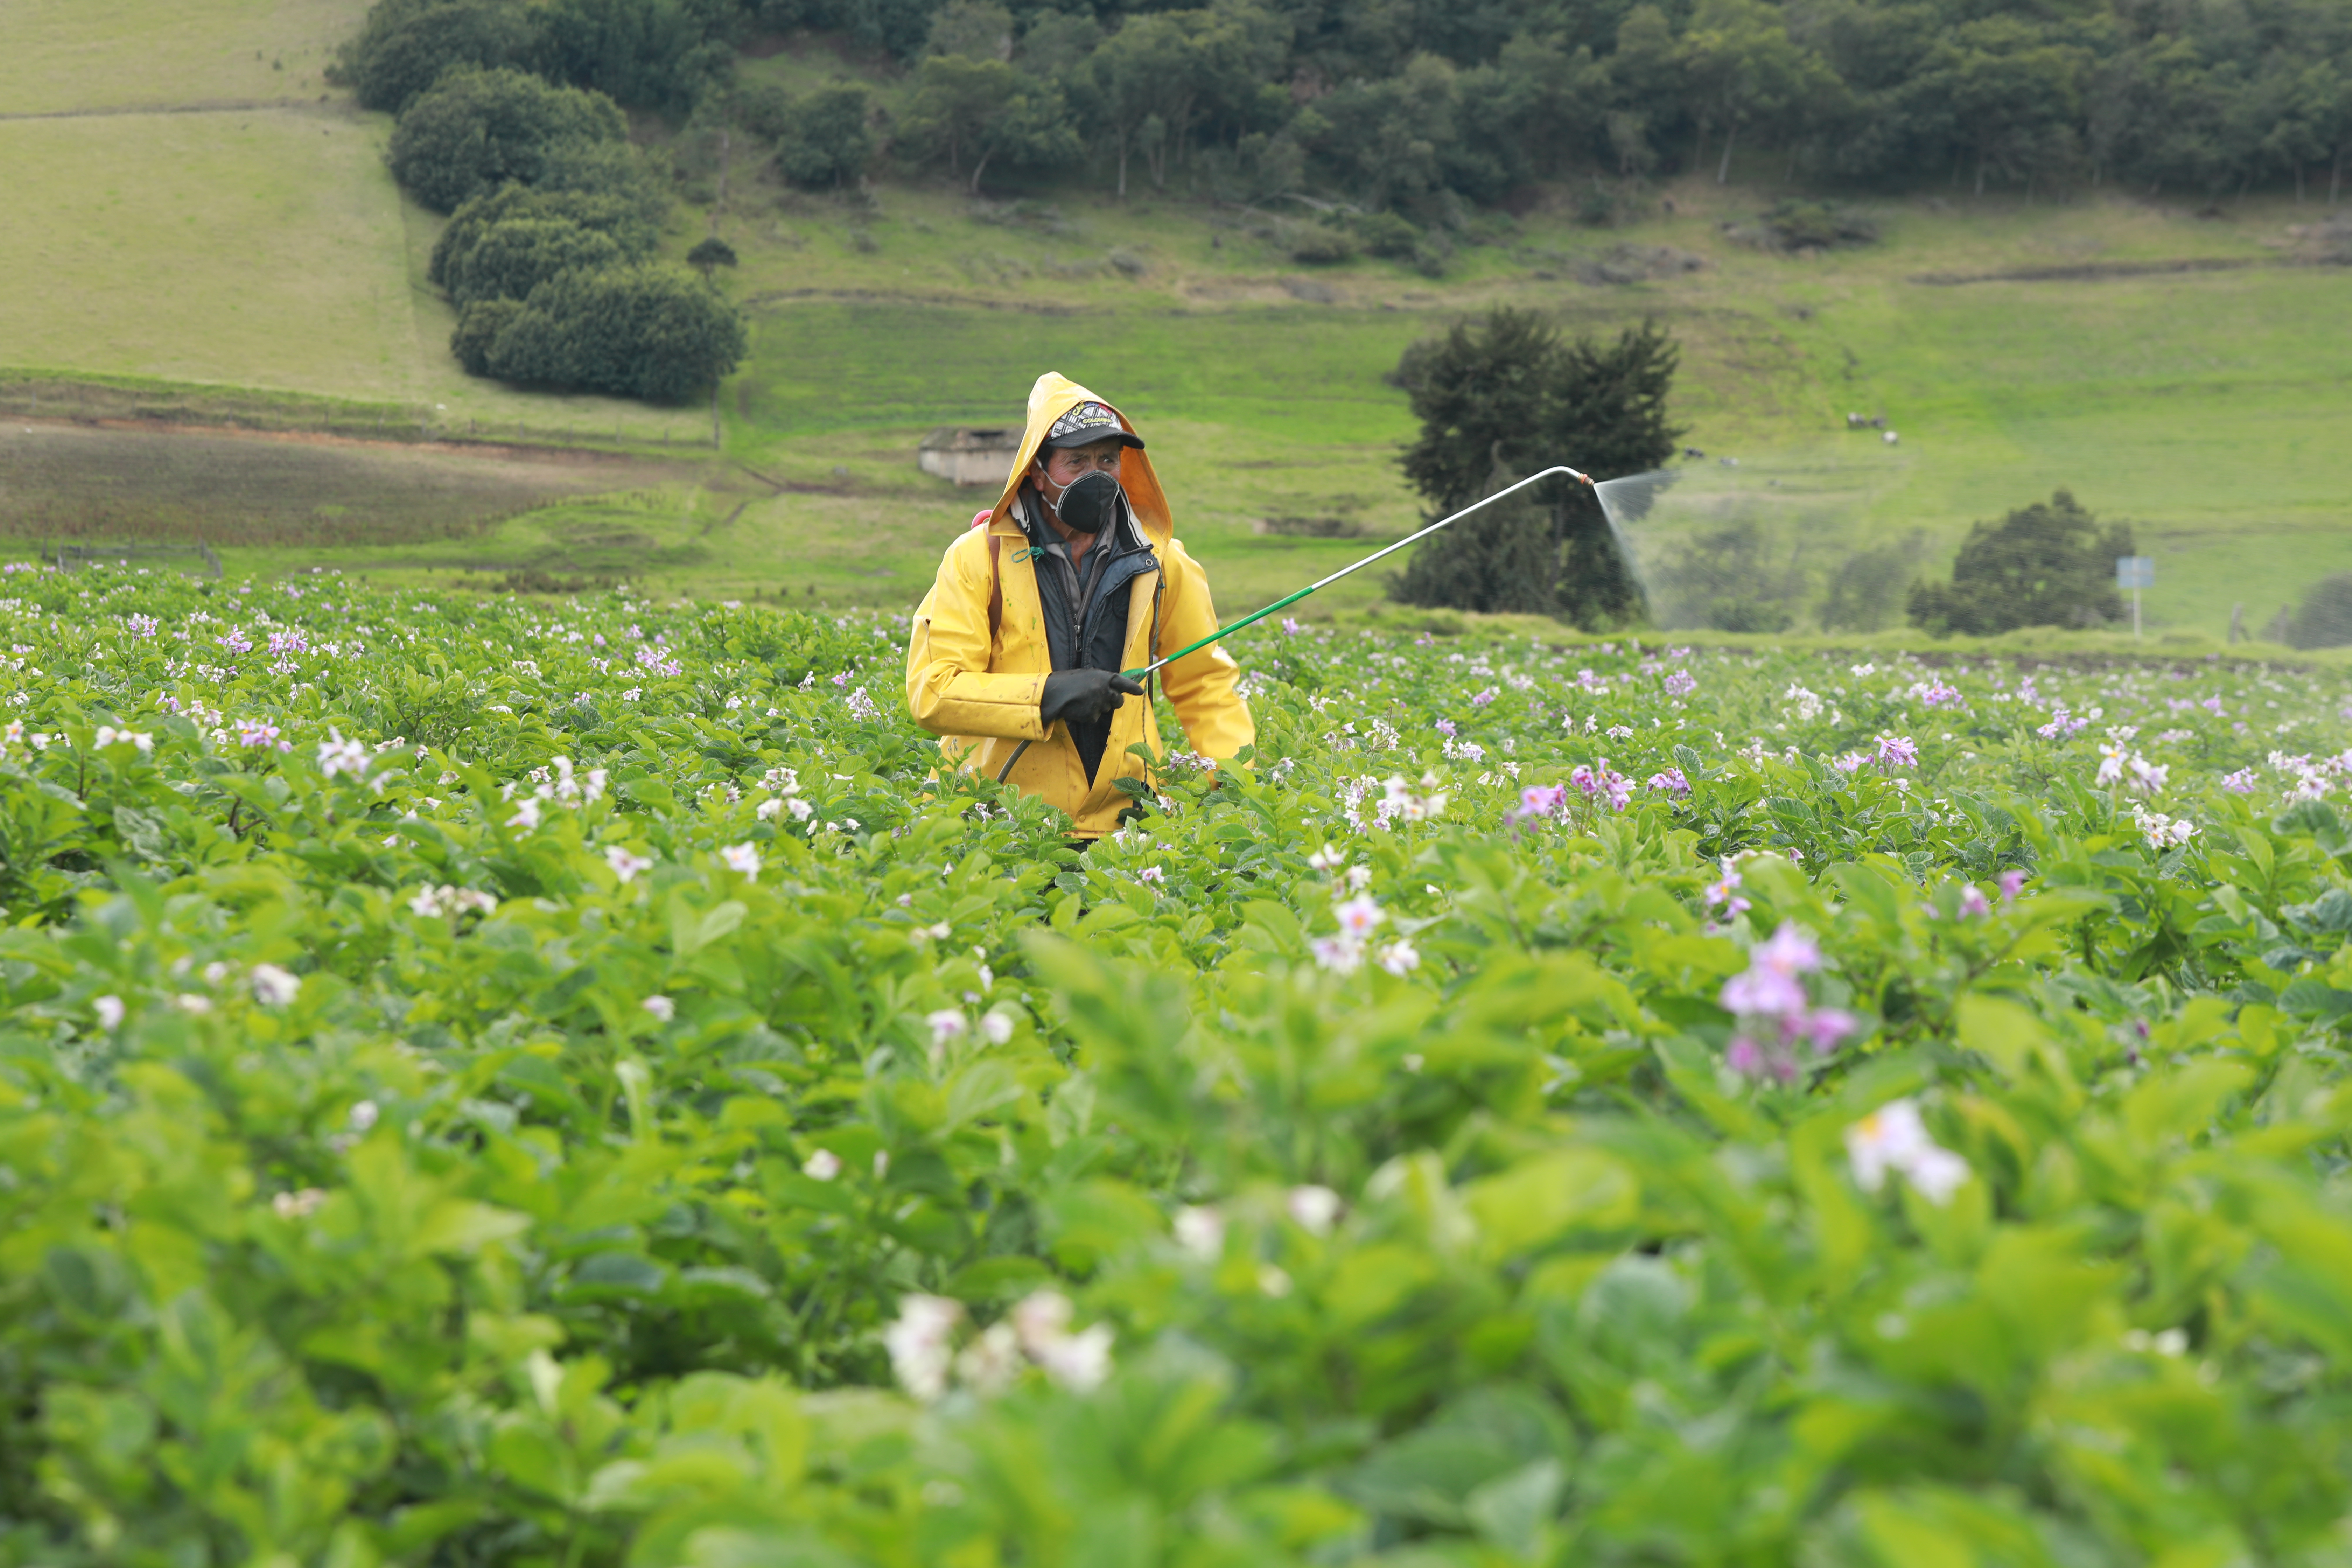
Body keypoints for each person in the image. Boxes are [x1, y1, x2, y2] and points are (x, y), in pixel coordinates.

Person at [905, 372, 1253, 838]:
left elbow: (1205, 686)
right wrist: (1048, 696)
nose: (1096, 475)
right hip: (997, 820)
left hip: (1124, 824)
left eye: (1108, 460)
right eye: (1077, 462)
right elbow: (934, 691)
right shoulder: (977, 557)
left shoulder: (1163, 563)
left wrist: (1234, 792)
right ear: (1036, 470)